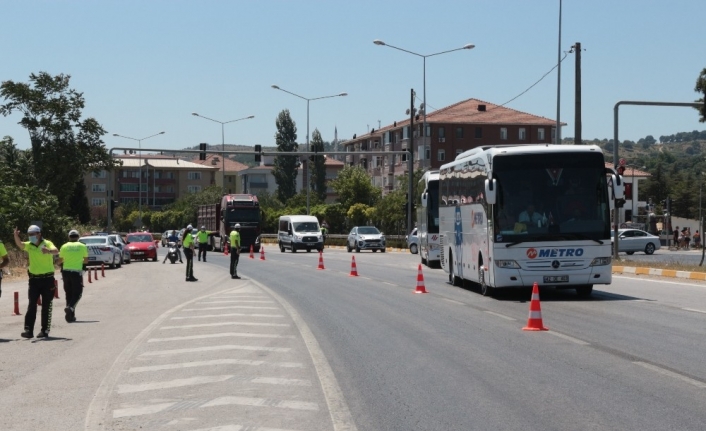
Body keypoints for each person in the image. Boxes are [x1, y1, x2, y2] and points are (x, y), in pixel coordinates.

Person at [14, 225, 59, 338]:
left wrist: (48, 251)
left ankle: (45, 330)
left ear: (39, 234)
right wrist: (16, 236)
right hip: (34, 280)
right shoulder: (29, 245)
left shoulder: (47, 243)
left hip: (47, 279)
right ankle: (28, 330)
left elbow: (56, 251)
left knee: (46, 305)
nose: (31, 237)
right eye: (29, 235)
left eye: (33, 234)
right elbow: (20, 244)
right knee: (31, 305)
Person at [58, 229, 88, 322]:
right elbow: (86, 261)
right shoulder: (82, 246)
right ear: (78, 237)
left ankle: (70, 316)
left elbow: (60, 261)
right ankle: (70, 307)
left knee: (69, 294)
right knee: (78, 293)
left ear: (69, 237)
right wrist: (79, 261)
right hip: (76, 273)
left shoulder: (64, 246)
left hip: (66, 272)